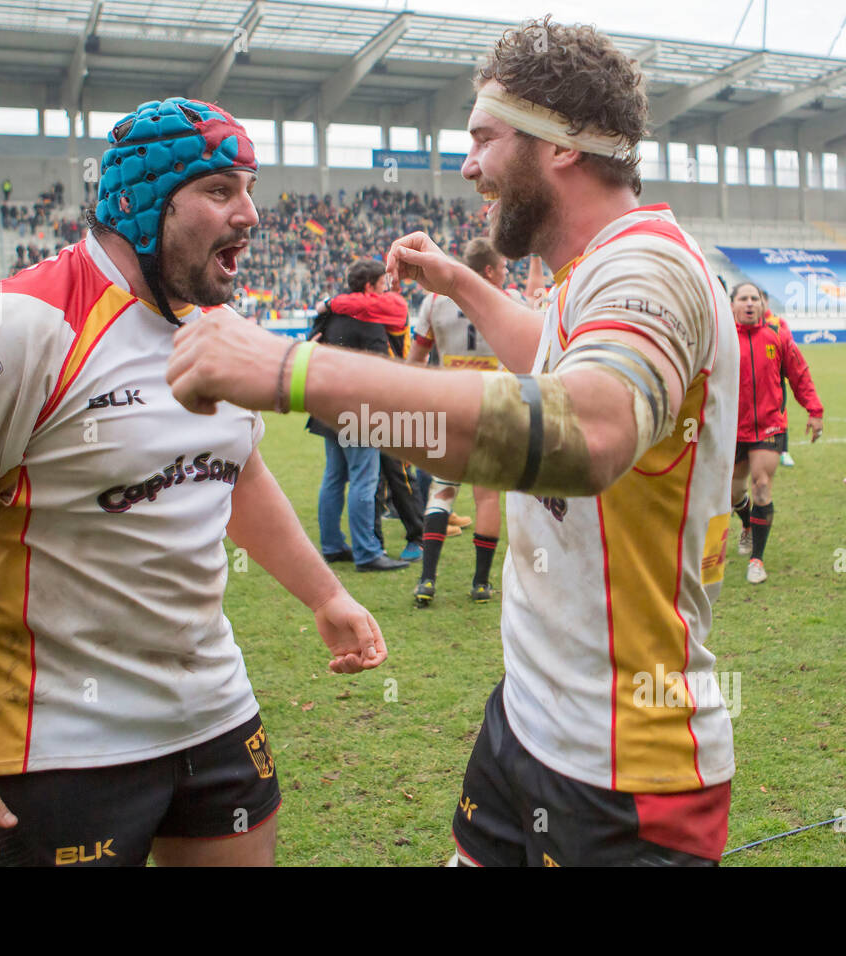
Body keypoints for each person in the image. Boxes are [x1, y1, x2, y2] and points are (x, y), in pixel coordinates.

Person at [166, 17, 739, 866]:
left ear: (562, 144)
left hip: (626, 768)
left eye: (483, 138)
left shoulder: (645, 269)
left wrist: (293, 371)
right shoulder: (598, 268)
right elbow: (548, 357)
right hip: (530, 719)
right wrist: (463, 283)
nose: (469, 166)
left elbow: (590, 431)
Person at [0, 96, 387, 867]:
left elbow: (235, 471)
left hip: (215, 713)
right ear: (143, 203)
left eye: (250, 189)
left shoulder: (214, 324)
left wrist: (325, 595)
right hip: (58, 743)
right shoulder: (19, 327)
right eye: (219, 190)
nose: (250, 214)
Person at [407, 237, 516, 606]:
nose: (506, 272)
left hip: (449, 402)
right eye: (502, 267)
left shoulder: (435, 301)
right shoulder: (509, 301)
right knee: (487, 496)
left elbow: (416, 360)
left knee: (442, 490)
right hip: (492, 403)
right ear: (488, 270)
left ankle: (426, 580)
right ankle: (481, 584)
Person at [308, 260, 411, 572]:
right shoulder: (374, 318)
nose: (385, 290)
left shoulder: (329, 316)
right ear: (369, 287)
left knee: (334, 478)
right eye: (382, 284)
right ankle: (367, 552)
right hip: (361, 408)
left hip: (328, 405)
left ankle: (332, 545)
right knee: (365, 481)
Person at [729, 282, 824, 583]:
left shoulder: (777, 335)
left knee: (761, 486)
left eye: (754, 298)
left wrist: (815, 410)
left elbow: (799, 374)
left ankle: (757, 559)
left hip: (769, 425)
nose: (749, 303)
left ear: (762, 304)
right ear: (731, 305)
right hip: (731, 428)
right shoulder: (721, 339)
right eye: (743, 298)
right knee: (733, 494)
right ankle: (746, 525)